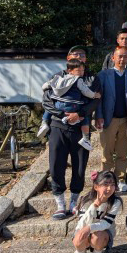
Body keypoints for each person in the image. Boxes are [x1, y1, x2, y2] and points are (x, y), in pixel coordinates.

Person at [43, 46, 101, 220]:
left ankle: (74, 202)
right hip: (58, 125)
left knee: (80, 165)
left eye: (82, 54)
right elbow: (46, 100)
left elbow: (95, 100)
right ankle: (60, 203)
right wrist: (63, 115)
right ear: (68, 58)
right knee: (56, 164)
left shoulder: (92, 78)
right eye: (76, 54)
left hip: (80, 126)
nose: (79, 57)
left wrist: (80, 114)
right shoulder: (57, 77)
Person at [96, 47, 127, 191]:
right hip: (109, 118)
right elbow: (99, 99)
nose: (122, 59)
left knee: (123, 152)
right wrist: (99, 116)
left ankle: (120, 179)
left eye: (125, 57)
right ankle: (106, 179)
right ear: (113, 58)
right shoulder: (103, 75)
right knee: (107, 151)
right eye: (119, 56)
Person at [62, 170, 123, 253]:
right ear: (96, 186)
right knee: (79, 236)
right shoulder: (85, 200)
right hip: (84, 230)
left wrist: (90, 228)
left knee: (98, 235)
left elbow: (106, 223)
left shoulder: (115, 201)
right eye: (105, 184)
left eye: (112, 184)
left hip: (103, 235)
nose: (109, 188)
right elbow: (82, 223)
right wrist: (94, 205)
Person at [40, 59, 101, 152]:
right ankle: (85, 138)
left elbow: (46, 85)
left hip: (59, 105)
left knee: (49, 107)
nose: (81, 73)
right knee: (84, 117)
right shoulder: (78, 80)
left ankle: (44, 123)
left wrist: (44, 89)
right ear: (69, 70)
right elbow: (86, 92)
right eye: (78, 70)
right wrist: (95, 95)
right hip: (73, 106)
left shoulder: (58, 78)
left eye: (82, 70)